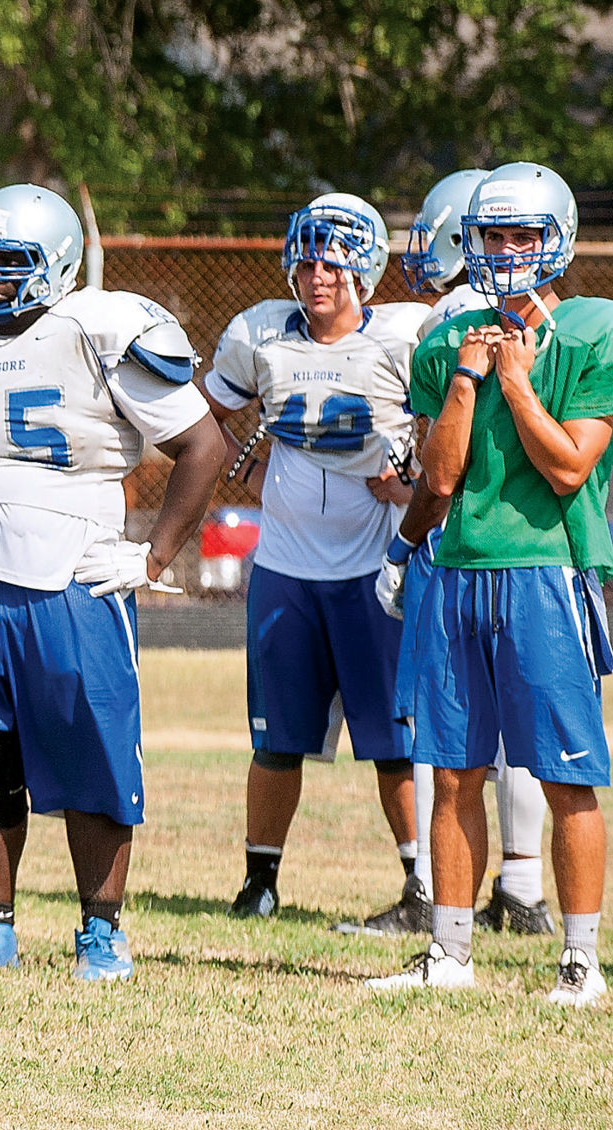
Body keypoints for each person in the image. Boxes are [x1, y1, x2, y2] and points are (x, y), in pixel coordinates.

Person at [0, 184, 223, 978]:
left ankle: (101, 932)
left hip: (69, 574)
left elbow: (201, 445)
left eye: (11, 263)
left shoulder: (98, 326)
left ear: (59, 265)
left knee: (91, 756)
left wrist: (151, 555)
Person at [366, 162, 613, 1005]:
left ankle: (580, 962)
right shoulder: (447, 340)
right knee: (454, 770)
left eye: (523, 234)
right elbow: (441, 474)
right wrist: (467, 376)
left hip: (547, 572)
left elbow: (571, 466)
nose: (506, 250)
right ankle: (450, 954)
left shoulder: (597, 332)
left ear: (558, 241)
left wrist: (514, 381)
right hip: (459, 569)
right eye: (493, 234)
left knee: (564, 772)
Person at [200, 193, 425, 929]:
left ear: (366, 264)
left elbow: (448, 422)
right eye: (306, 255)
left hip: (374, 567)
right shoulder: (260, 335)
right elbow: (205, 419)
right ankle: (260, 879)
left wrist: (417, 482)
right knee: (276, 740)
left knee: (393, 742)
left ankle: (420, 885)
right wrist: (247, 473)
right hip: (286, 568)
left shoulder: (403, 338)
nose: (317, 271)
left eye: (333, 257)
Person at [373, 168, 554, 936]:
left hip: (461, 549)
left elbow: (433, 467)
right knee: (525, 740)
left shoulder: (453, 323)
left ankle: (431, 895)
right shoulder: (544, 317)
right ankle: (521, 886)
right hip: (539, 549)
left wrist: (404, 532)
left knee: (450, 743)